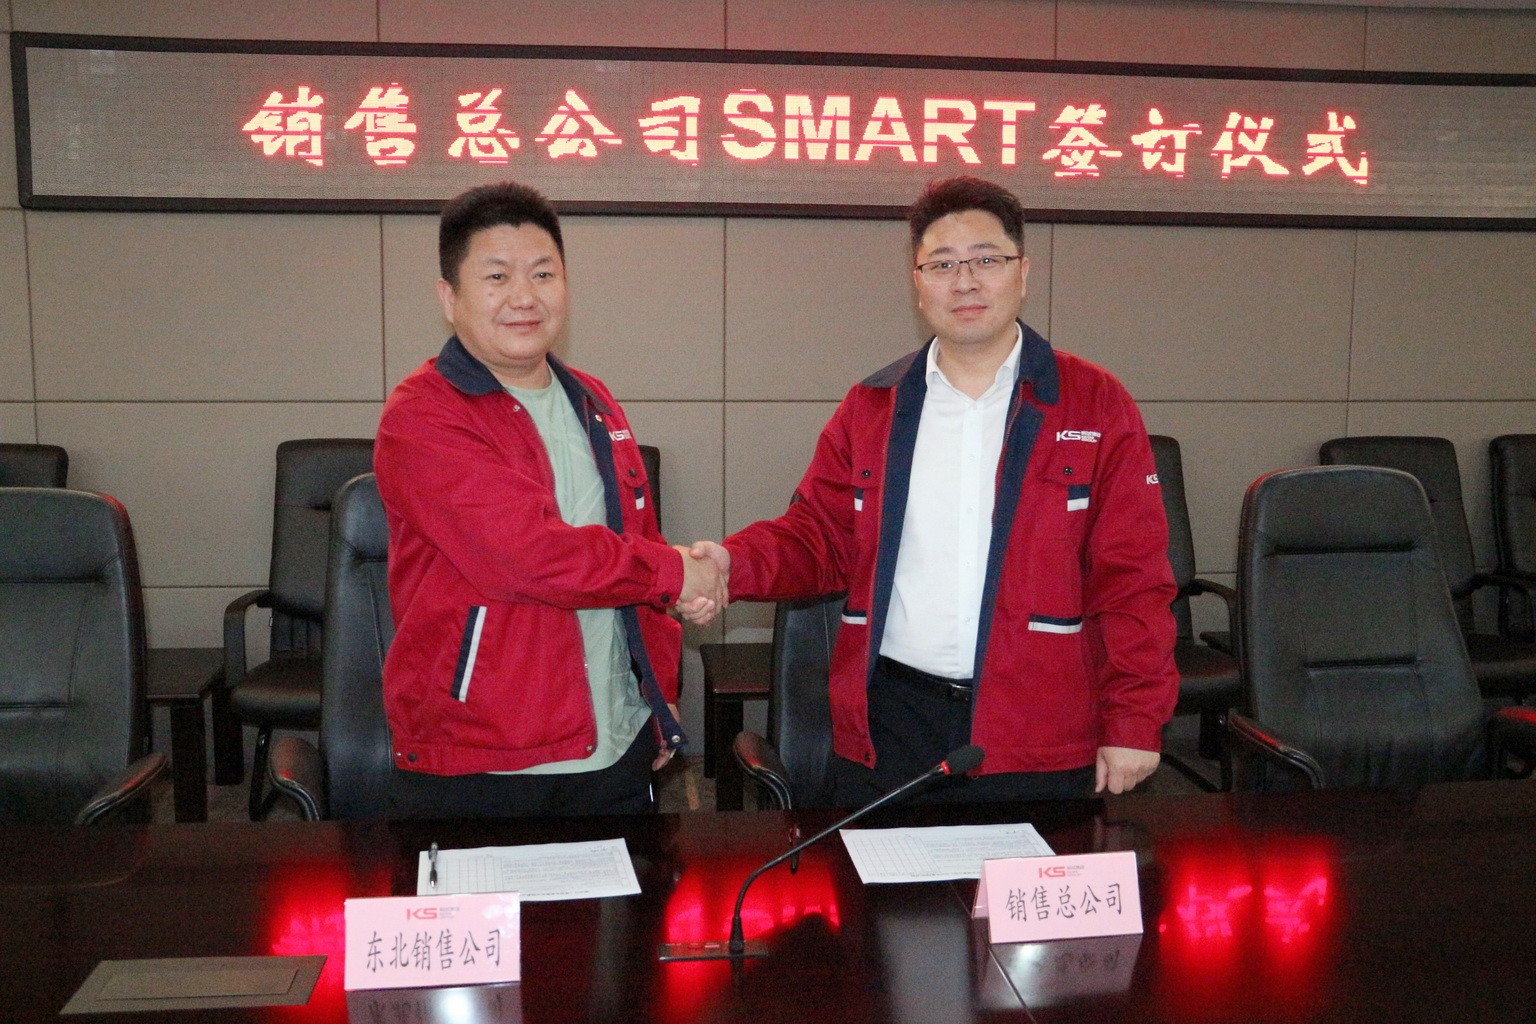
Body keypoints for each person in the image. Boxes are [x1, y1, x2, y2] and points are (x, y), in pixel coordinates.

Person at [698, 176, 1178, 805]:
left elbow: (1133, 578)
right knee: (880, 872)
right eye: (943, 264)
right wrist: (731, 563)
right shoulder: (873, 406)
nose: (965, 281)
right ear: (918, 283)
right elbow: (818, 538)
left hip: (1039, 725)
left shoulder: (1093, 402)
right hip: (891, 723)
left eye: (987, 260)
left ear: (1023, 272)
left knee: (1026, 873)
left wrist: (1135, 719)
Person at [374, 180, 723, 818]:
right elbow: (529, 556)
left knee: (629, 887)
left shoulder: (592, 399)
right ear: (449, 298)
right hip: (486, 754)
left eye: (543, 273)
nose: (524, 297)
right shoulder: (422, 415)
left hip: (616, 740)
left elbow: (635, 545)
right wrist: (675, 571)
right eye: (497, 276)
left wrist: (657, 689)